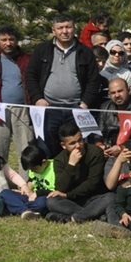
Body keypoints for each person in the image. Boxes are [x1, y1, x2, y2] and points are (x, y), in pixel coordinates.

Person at [25, 14, 100, 157]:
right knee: (47, 148)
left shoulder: (85, 52)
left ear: (74, 29)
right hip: (49, 110)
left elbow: (93, 80)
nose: (65, 31)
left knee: (78, 149)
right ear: (53, 31)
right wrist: (37, 98)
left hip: (76, 110)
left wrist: (85, 103)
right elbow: (30, 76)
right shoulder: (42, 50)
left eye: (68, 27)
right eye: (60, 28)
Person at [0, 25, 34, 176]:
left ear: (16, 40)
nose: (8, 43)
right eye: (3, 40)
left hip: (23, 109)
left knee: (25, 149)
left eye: (11, 39)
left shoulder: (27, 59)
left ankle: (25, 186)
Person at [45, 120, 116, 225]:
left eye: (80, 140)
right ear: (63, 145)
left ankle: (74, 217)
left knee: (111, 197)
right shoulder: (59, 159)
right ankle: (94, 214)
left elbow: (92, 183)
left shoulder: (95, 152)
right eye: (72, 143)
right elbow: (60, 187)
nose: (78, 146)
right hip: (73, 201)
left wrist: (67, 195)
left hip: (93, 197)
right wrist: (71, 165)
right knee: (51, 201)